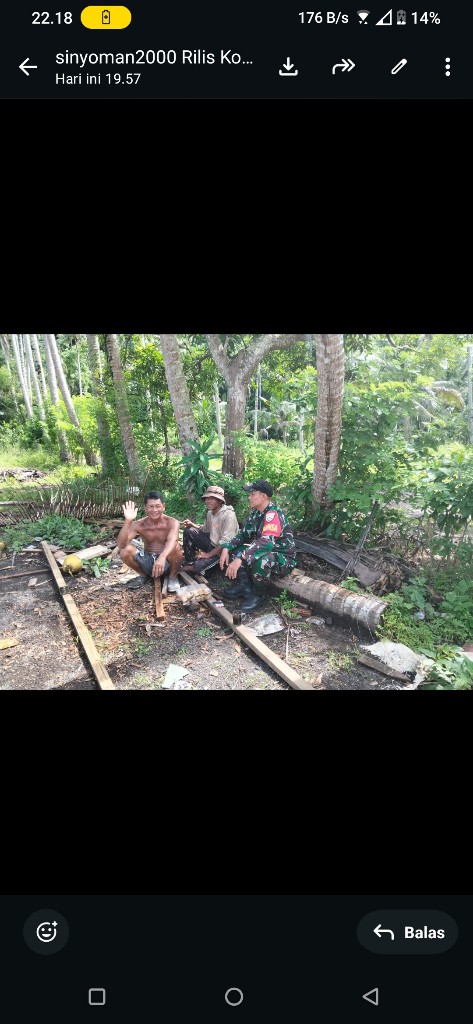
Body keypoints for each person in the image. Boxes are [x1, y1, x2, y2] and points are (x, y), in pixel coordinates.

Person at [219, 479, 297, 613]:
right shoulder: (256, 512)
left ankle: (259, 595)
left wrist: (241, 559)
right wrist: (227, 547)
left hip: (283, 557)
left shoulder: (273, 514)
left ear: (264, 496)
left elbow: (266, 543)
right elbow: (243, 534)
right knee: (236, 550)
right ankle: (244, 586)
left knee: (261, 560)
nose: (249, 497)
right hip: (267, 551)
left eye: (253, 494)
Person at [116, 491, 182, 591]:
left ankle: (173, 577)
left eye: (158, 506)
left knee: (176, 546)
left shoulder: (173, 522)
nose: (154, 510)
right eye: (151, 506)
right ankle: (143, 576)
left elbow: (172, 540)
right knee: (125, 551)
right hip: (148, 561)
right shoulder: (138, 524)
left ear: (163, 506)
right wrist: (128, 521)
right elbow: (121, 544)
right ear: (145, 508)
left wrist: (162, 557)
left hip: (166, 562)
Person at [181, 485, 239, 575]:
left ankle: (200, 565)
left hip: (223, 550)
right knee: (189, 531)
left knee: (199, 567)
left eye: (212, 498)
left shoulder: (229, 516)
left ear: (220, 501)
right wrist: (192, 525)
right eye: (207, 498)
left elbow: (227, 543)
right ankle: (190, 561)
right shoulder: (210, 513)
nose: (208, 501)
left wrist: (208, 555)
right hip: (211, 544)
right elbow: (205, 530)